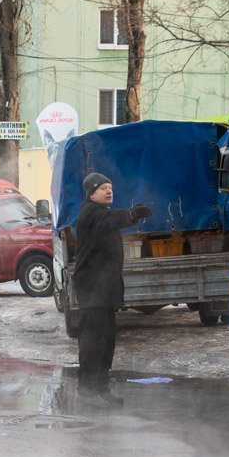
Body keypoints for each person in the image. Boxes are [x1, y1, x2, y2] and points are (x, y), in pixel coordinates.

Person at [73, 172, 151, 406]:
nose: (109, 191)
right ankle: (88, 391)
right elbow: (110, 222)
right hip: (92, 288)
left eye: (110, 187)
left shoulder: (101, 212)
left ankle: (101, 387)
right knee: (93, 340)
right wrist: (130, 215)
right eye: (103, 188)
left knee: (106, 340)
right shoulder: (90, 213)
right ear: (91, 193)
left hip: (103, 288)